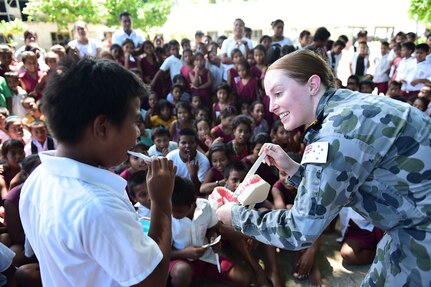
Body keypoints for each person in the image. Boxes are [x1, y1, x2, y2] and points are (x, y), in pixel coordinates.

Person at [216, 49, 431, 286]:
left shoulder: (336, 133)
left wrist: (235, 216)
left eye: (278, 93)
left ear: (312, 85)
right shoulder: (345, 108)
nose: (272, 107)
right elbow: (338, 183)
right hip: (410, 225)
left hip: (420, 232)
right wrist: (295, 169)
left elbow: (301, 229)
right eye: (269, 97)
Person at [19, 58, 178, 286]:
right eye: (134, 122)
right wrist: (161, 203)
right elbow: (151, 280)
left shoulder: (37, 179)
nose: (137, 134)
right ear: (102, 127)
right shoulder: (97, 207)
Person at [169, 176, 251, 287]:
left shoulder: (205, 206)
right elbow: (160, 253)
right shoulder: (165, 217)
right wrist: (183, 253)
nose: (174, 214)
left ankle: (205, 278)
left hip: (206, 257)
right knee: (182, 272)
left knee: (243, 279)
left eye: (178, 211)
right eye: (171, 209)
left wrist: (213, 238)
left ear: (193, 202)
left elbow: (212, 228)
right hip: (180, 261)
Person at [166, 128, 210, 194]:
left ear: (196, 145)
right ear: (178, 145)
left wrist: (193, 175)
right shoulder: (170, 157)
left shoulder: (203, 161)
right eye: (183, 143)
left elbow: (199, 191)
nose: (187, 146)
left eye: (191, 142)